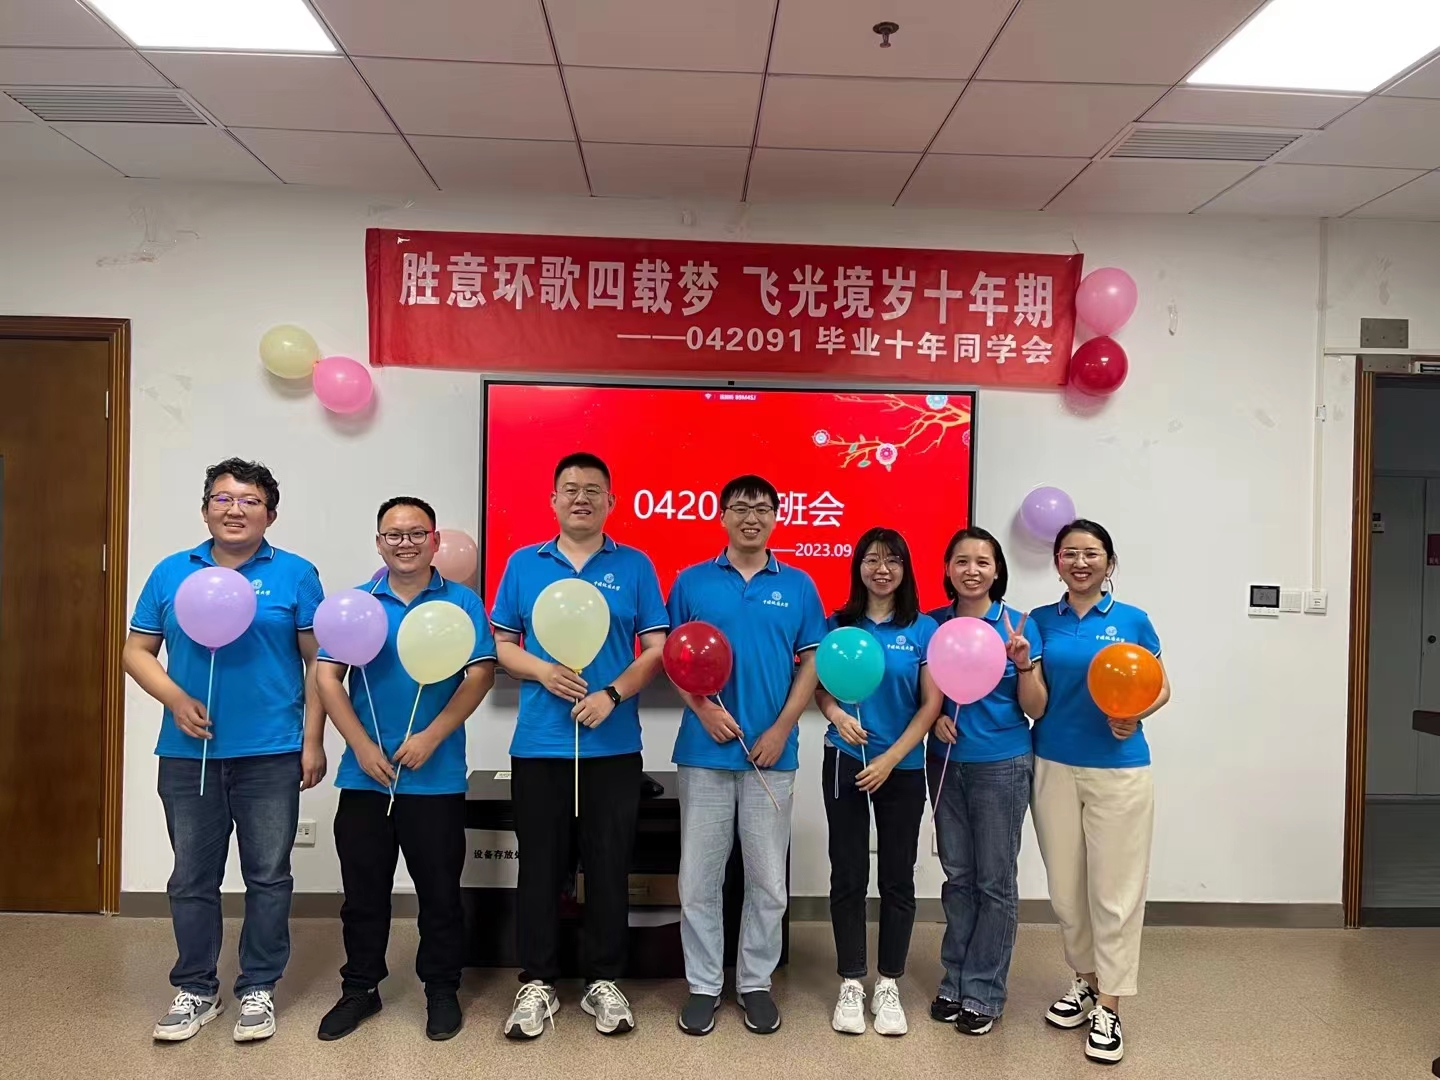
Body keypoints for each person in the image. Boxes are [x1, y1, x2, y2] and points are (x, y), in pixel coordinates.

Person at [124, 458, 325, 1044]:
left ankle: (258, 986)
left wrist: (313, 740)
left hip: (272, 752)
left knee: (268, 876)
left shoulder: (295, 574)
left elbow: (321, 660)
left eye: (250, 500)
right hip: (189, 754)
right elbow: (135, 651)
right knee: (191, 877)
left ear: (270, 514)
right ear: (205, 508)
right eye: (223, 498)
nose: (235, 509)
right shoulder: (171, 572)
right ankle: (196, 988)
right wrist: (176, 698)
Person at [490, 453, 668, 1039]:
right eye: (570, 489)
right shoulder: (524, 563)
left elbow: (656, 649)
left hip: (612, 745)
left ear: (611, 502)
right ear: (553, 500)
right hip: (540, 744)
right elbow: (502, 645)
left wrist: (612, 694)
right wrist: (542, 670)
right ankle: (538, 981)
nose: (581, 498)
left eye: (594, 490)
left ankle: (604, 980)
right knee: (540, 866)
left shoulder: (635, 565)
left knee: (609, 865)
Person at [314, 497, 496, 1043]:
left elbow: (480, 676)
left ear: (434, 541)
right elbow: (327, 678)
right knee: (362, 894)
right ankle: (360, 988)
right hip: (365, 778)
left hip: (436, 778)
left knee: (440, 894)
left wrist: (431, 737)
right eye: (393, 535)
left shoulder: (462, 603)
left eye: (417, 533)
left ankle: (441, 989)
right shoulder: (356, 603)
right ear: (379, 543)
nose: (405, 543)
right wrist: (361, 746)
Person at [668, 474, 826, 1038]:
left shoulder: (800, 586)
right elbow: (672, 657)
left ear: (777, 516)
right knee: (698, 881)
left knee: (768, 883)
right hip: (703, 753)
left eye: (762, 508)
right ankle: (704, 985)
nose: (751, 517)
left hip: (771, 757)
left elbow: (811, 664)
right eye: (740, 507)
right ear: (722, 515)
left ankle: (755, 982)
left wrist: (783, 728)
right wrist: (703, 710)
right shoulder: (691, 581)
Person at [1028, 519, 1170, 1065]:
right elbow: (1035, 698)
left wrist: (1134, 713)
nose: (1080, 562)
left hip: (1119, 771)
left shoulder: (1132, 619)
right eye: (1070, 553)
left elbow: (1160, 685)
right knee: (1066, 892)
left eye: (1091, 553)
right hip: (1053, 764)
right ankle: (1086, 981)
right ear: (1057, 562)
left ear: (1109, 563)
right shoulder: (1041, 620)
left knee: (1115, 892)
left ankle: (1110, 1004)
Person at [815, 528, 941, 1037]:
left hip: (901, 766)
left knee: (896, 877)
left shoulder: (924, 628)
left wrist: (890, 758)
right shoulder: (838, 624)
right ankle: (851, 980)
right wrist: (836, 715)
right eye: (871, 559)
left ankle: (888, 982)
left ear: (905, 568)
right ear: (858, 567)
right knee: (847, 872)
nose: (881, 569)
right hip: (845, 759)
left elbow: (931, 704)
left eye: (892, 560)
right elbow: (820, 688)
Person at [924, 527, 1045, 1037]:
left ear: (997, 571)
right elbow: (921, 695)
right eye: (961, 561)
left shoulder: (1018, 626)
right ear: (948, 569)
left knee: (995, 882)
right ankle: (954, 979)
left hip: (1002, 764)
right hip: (945, 762)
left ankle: (984, 991)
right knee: (958, 877)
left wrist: (1022, 664)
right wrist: (934, 718)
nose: (971, 570)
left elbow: (1036, 708)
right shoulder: (931, 623)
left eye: (982, 561)